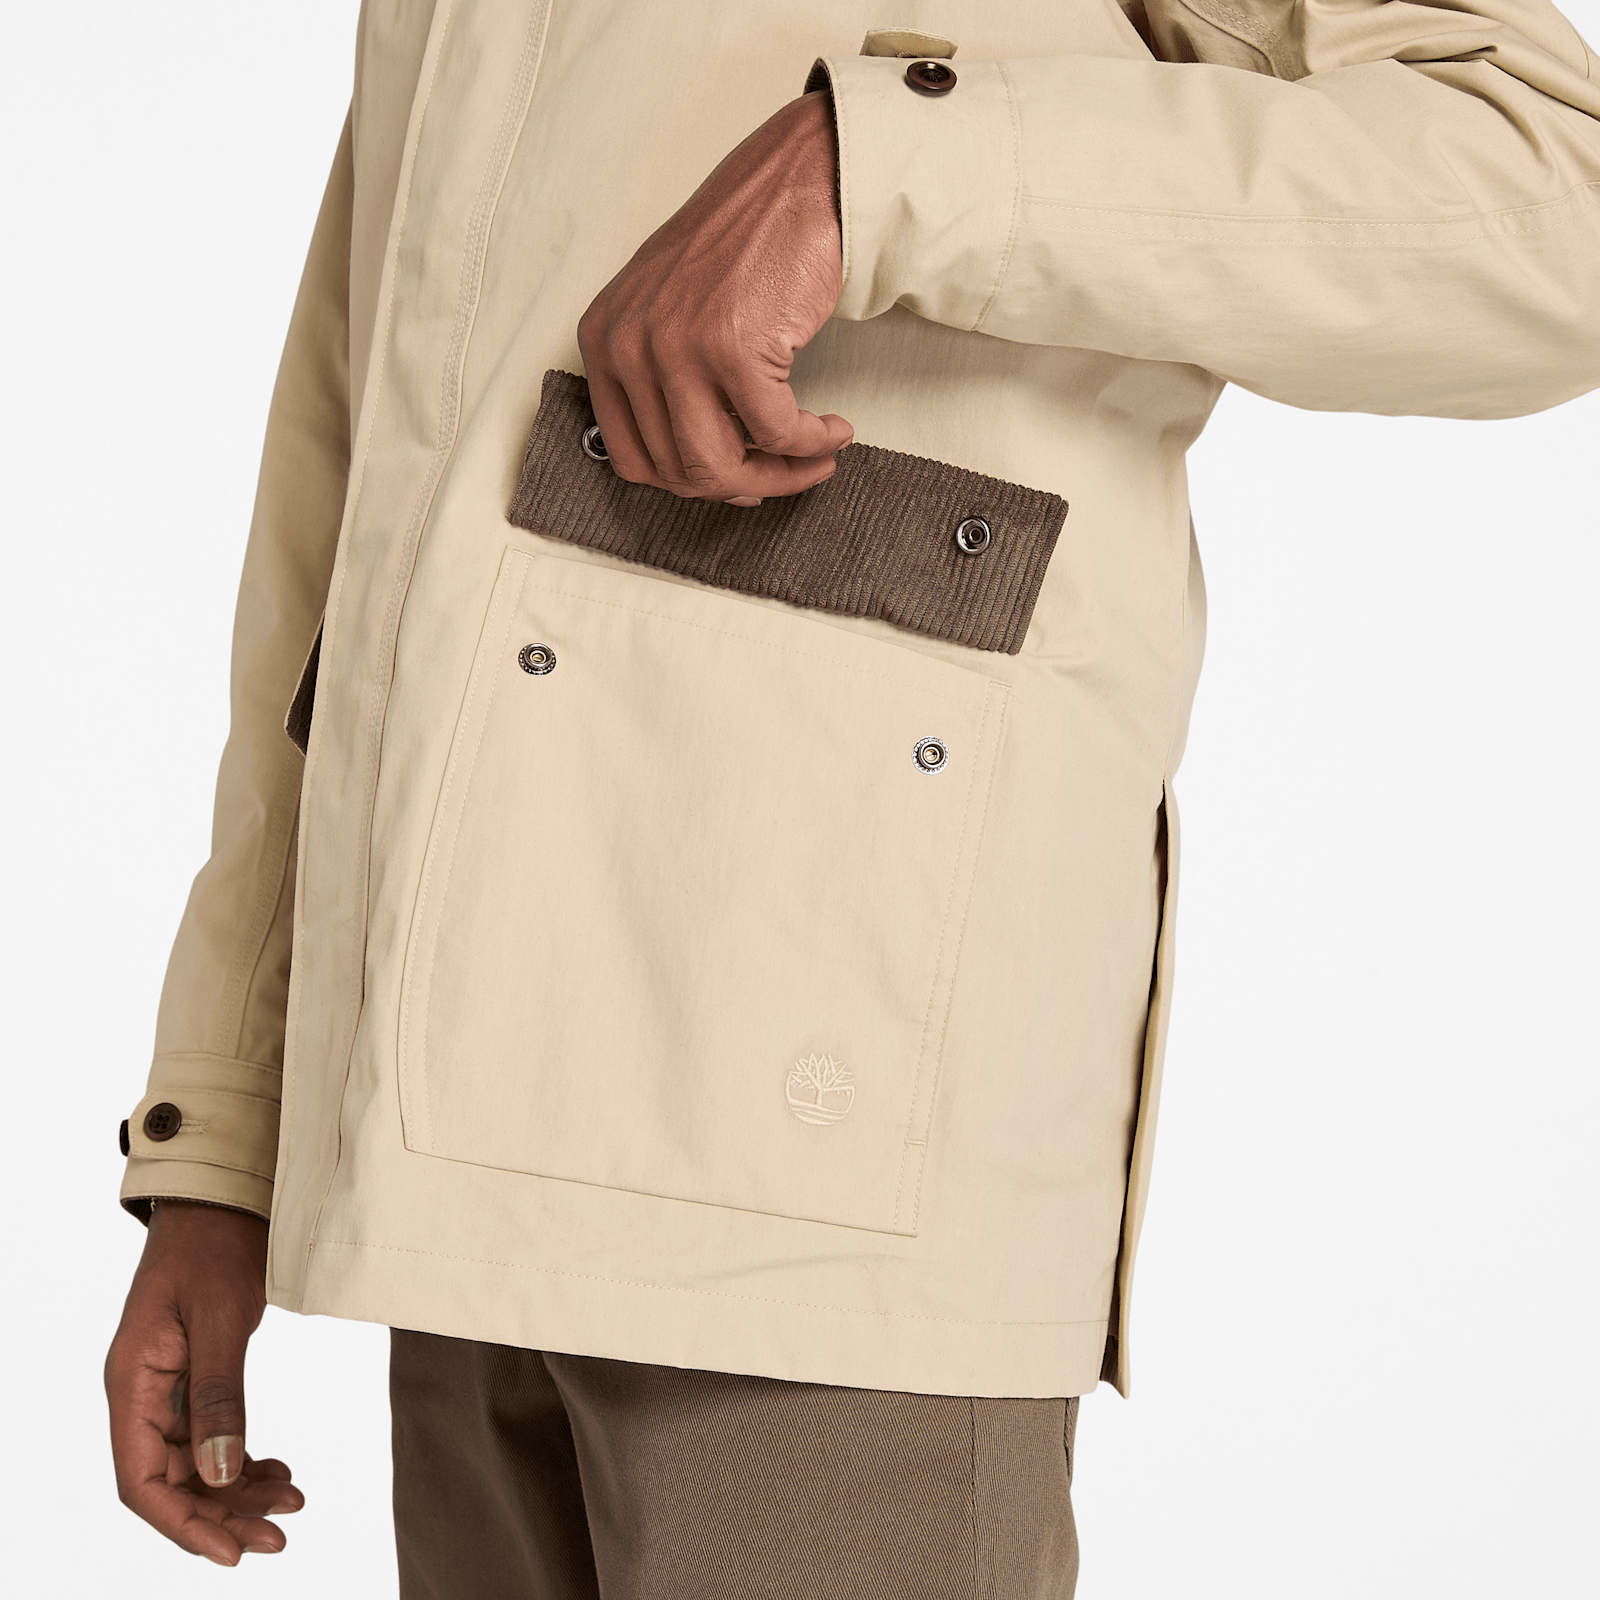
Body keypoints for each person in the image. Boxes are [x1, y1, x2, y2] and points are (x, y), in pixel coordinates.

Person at [105, 3, 1600, 1593]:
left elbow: (1549, 195)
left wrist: (877, 164)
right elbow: (365, 482)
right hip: (443, 1160)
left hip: (820, 1191)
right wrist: (230, 1131)